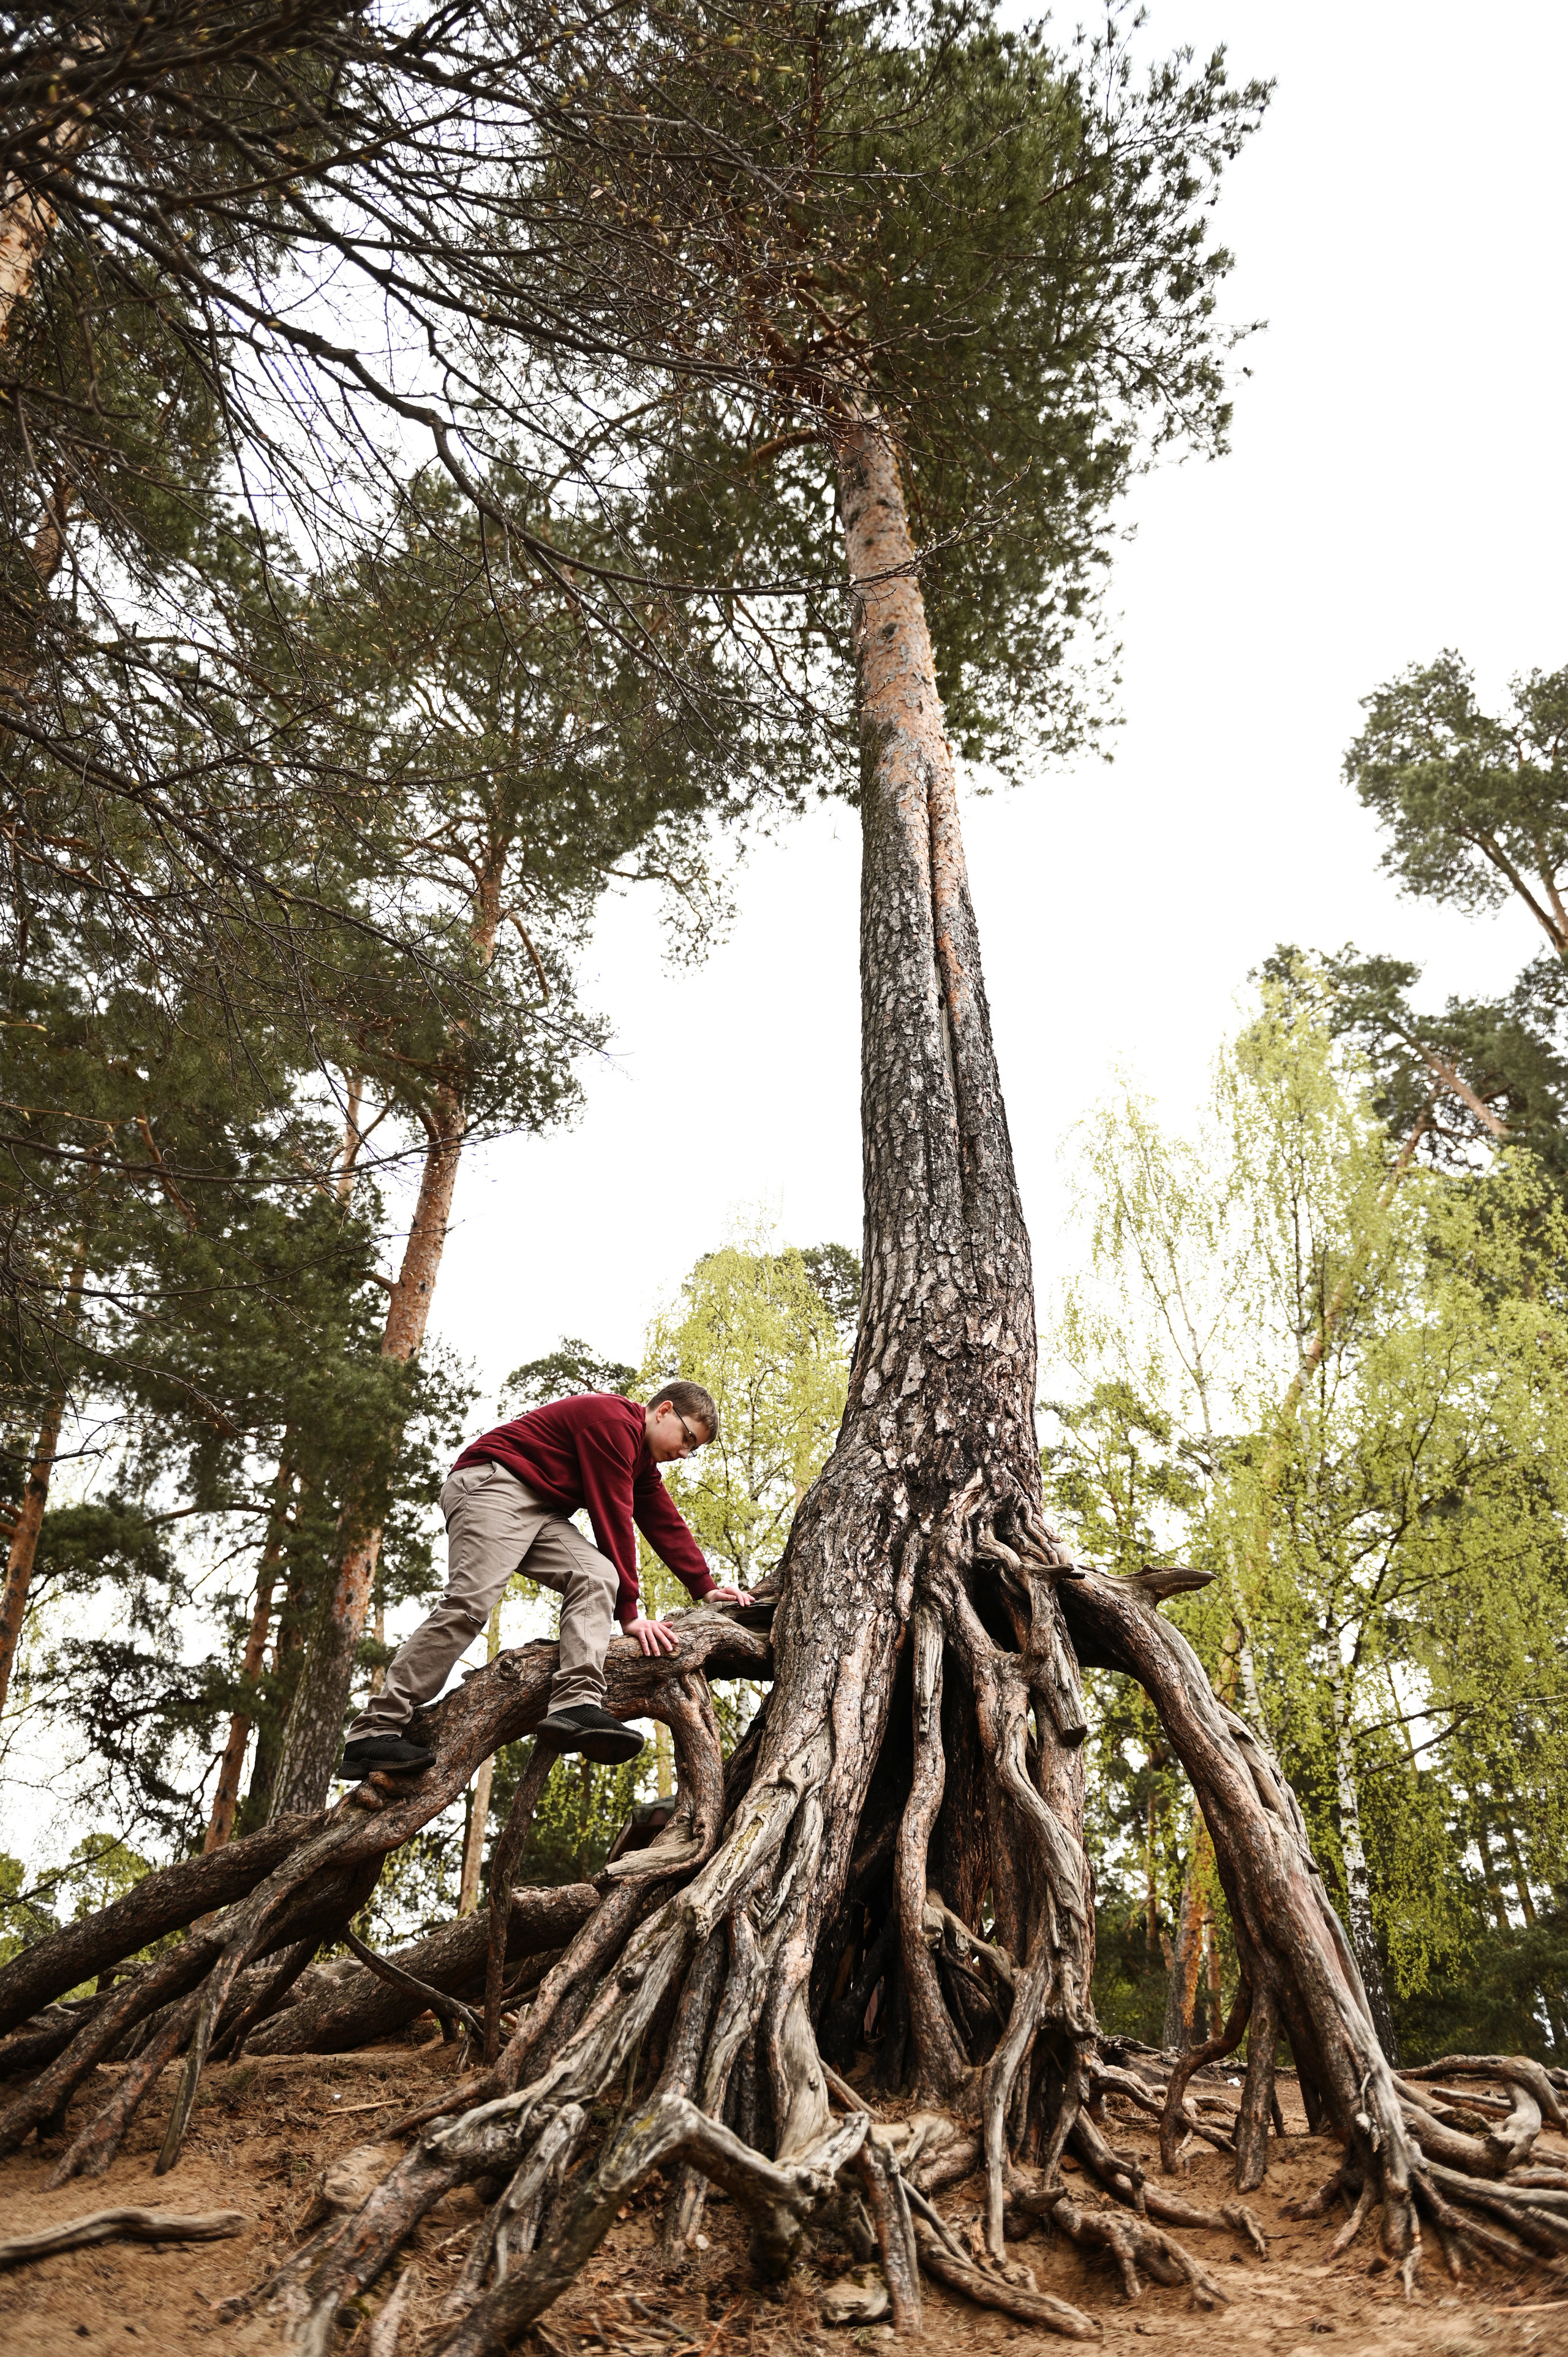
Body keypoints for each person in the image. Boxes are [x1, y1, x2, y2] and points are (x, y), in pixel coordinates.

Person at [339, 1381, 748, 1777]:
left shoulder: (641, 1460)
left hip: (539, 1509)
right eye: (688, 1439)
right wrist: (630, 1614)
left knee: (595, 1574)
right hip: (493, 1484)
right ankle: (374, 1729)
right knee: (469, 1604)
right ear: (664, 1411)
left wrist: (705, 1586)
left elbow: (662, 1519)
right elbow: (615, 1518)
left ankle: (575, 1704)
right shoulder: (613, 1423)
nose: (684, 1451)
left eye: (693, 1450)